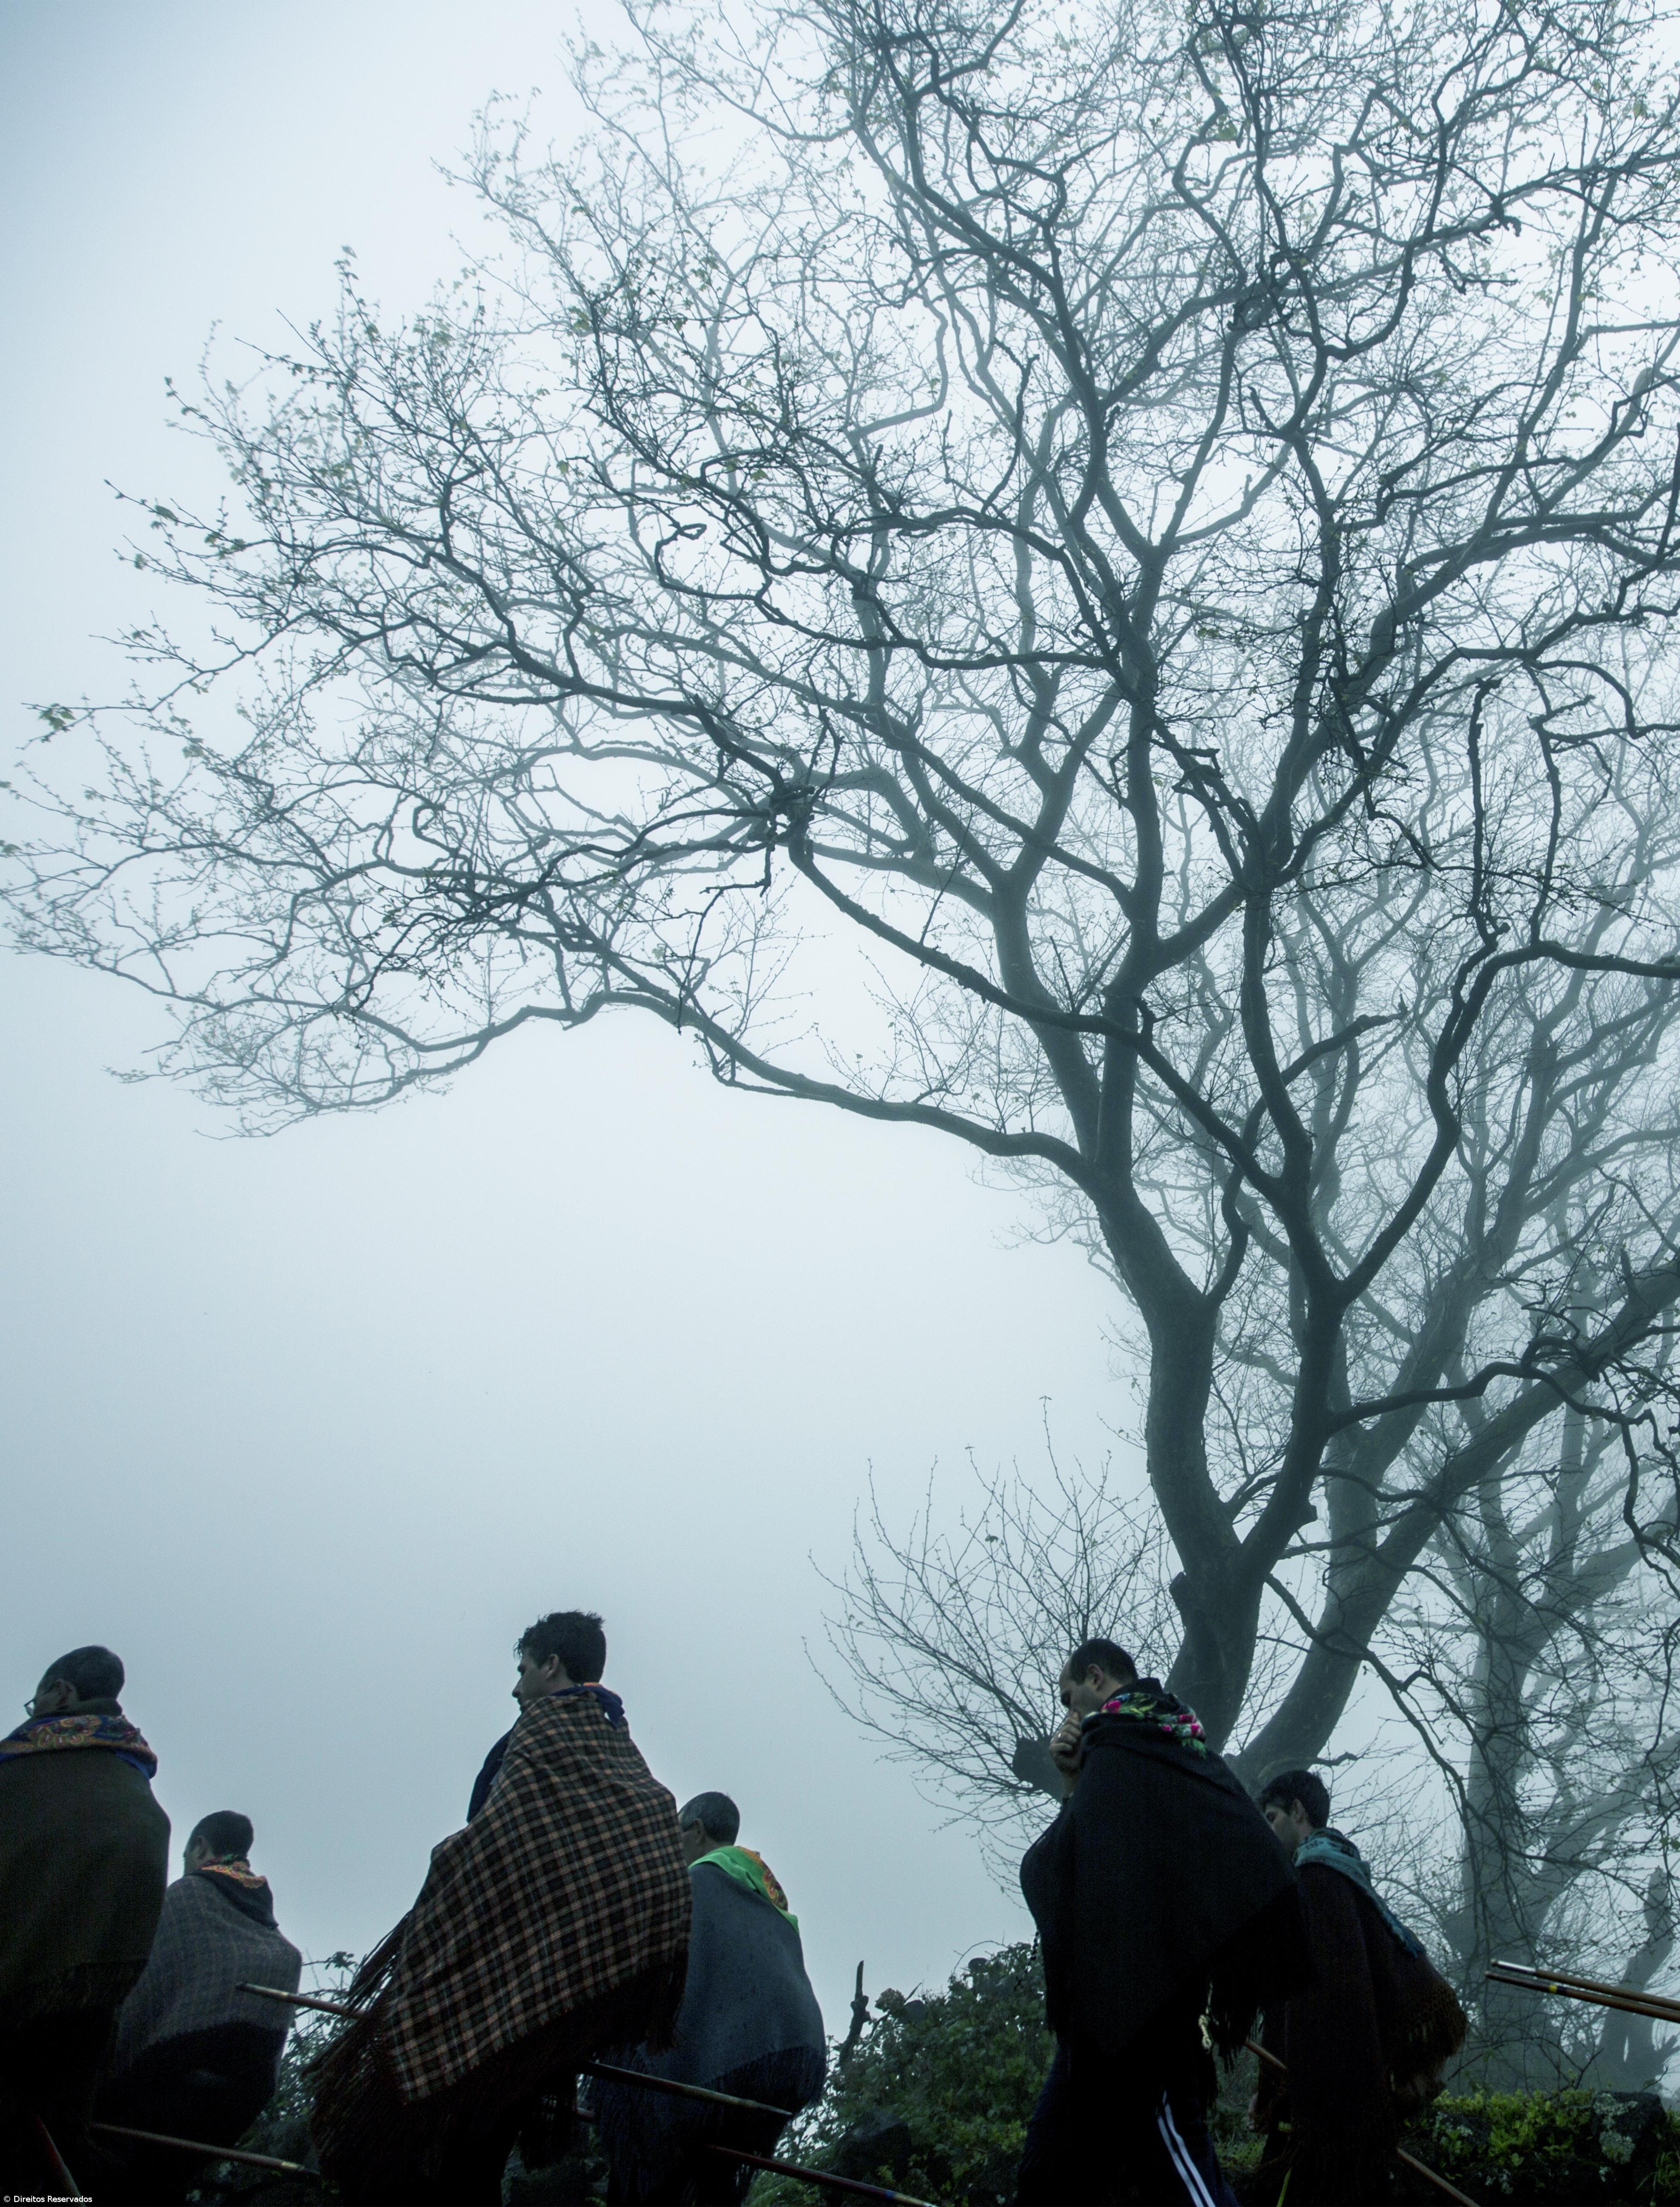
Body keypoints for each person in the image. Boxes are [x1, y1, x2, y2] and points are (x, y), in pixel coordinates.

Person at [310, 1609, 691, 2206]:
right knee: (481, 2156)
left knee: (447, 2151)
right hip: (563, 1996)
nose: (516, 1688)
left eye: (522, 1670)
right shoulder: (623, 1752)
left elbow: (491, 1848)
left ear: (551, 1665)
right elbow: (637, 1867)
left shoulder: (539, 1735)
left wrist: (451, 1870)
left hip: (506, 1983)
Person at [1016, 1639, 1309, 2207]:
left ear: (1095, 1677)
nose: (1065, 1712)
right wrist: (1072, 1780)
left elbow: (1057, 1872)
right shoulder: (1174, 1743)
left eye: (1067, 1696)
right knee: (1048, 2170)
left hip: (1145, 2018)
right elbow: (1088, 1871)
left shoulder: (1124, 1748)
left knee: (1179, 2167)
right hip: (1105, 2018)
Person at [594, 1790, 826, 2204]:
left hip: (739, 2061)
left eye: (674, 1834)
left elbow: (649, 1976)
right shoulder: (762, 1894)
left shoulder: (698, 1882)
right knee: (709, 2169)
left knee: (632, 2087)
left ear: (696, 1831)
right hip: (795, 2055)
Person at [1250, 1769, 1467, 2205]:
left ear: (1297, 1812)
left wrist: (1303, 2101)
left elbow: (1333, 2007)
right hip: (1329, 2103)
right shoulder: (1335, 1874)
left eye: (1271, 1819)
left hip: (1329, 2114)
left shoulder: (1319, 1878)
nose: (1267, 1834)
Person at [0, 1645, 171, 2197]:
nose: (32, 1711)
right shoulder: (136, 1793)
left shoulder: (22, 1768)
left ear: (62, 1693)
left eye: (37, 1697)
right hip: (85, 2024)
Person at [97, 1810, 304, 2204]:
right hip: (246, 2088)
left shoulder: (186, 1897)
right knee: (164, 2181)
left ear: (199, 1847)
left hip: (167, 2070)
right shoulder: (263, 1922)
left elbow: (141, 1989)